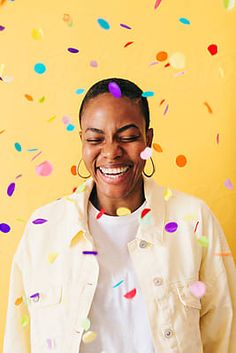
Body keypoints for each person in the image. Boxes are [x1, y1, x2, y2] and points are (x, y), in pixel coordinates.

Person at [3, 78, 236, 353]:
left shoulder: (193, 221)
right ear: (82, 142)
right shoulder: (44, 229)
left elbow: (224, 335)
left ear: (148, 139)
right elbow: (19, 339)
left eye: (127, 137)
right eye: (95, 139)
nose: (111, 152)